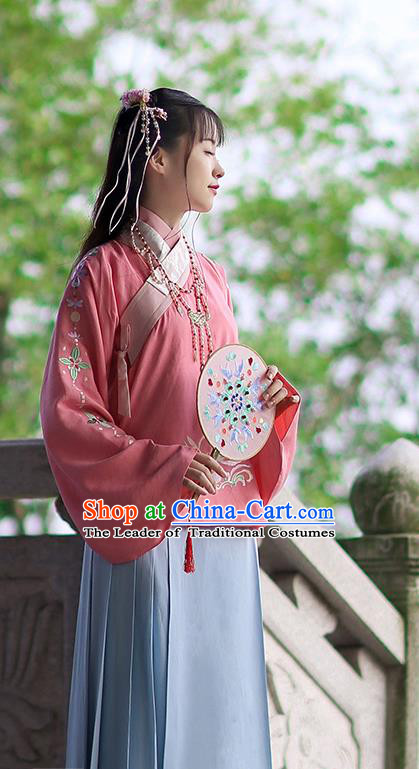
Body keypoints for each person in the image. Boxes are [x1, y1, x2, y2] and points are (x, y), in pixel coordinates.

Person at [39, 87, 301, 769]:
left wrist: (265, 407)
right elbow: (71, 410)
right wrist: (161, 468)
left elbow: (224, 408)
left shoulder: (212, 278)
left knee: (219, 713)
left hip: (217, 523)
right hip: (142, 522)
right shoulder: (100, 273)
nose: (220, 168)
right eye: (207, 150)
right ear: (158, 157)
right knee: (142, 711)